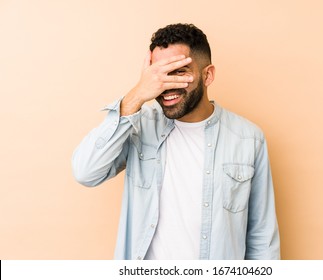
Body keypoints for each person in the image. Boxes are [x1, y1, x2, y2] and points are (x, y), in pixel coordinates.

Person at [72, 23, 280, 260]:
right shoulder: (138, 126)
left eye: (179, 71)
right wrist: (137, 95)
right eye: (158, 74)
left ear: (208, 75)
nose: (166, 85)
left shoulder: (248, 139)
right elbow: (85, 172)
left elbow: (262, 239)